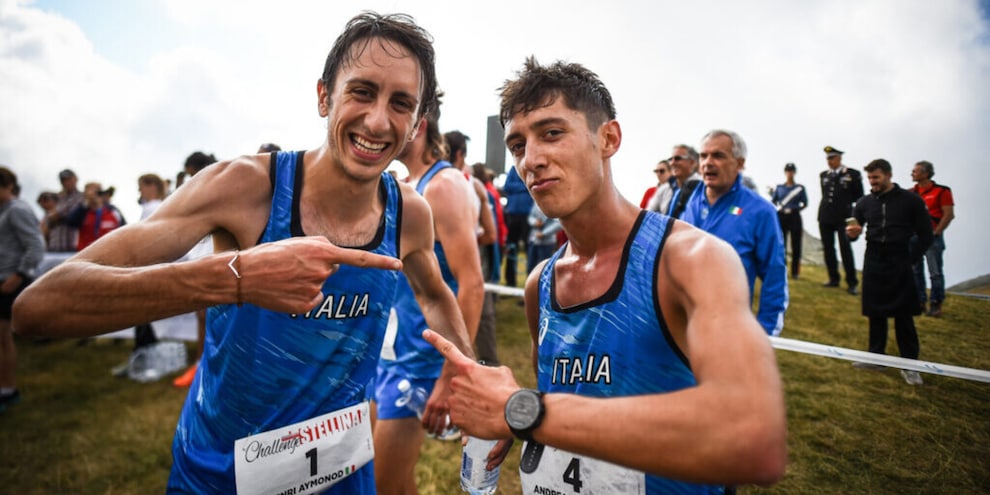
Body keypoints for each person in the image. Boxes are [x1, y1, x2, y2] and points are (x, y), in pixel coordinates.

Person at [14, 12, 476, 494]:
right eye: (361, 92)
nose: (378, 120)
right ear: (324, 96)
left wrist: (466, 372)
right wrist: (236, 279)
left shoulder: (409, 212)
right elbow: (39, 307)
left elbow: (435, 293)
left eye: (400, 103)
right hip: (221, 477)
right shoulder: (245, 187)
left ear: (416, 124)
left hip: (342, 474)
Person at [424, 56, 787, 493]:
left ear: (608, 138)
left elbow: (753, 436)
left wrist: (523, 411)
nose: (531, 160)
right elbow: (566, 406)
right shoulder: (540, 283)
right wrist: (515, 418)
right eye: (517, 145)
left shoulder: (691, 259)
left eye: (552, 133)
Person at [373, 110, 485, 495]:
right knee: (381, 479)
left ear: (419, 125)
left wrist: (451, 374)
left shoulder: (443, 185)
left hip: (421, 363)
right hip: (389, 355)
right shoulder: (405, 185)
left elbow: (472, 284)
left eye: (396, 112)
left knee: (382, 484)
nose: (379, 126)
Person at [681, 130, 788, 336]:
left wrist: (765, 334)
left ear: (739, 164)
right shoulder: (684, 198)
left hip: (726, 333)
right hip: (675, 328)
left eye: (718, 156)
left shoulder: (761, 211)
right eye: (703, 156)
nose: (708, 163)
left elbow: (775, 276)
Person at [846, 159, 933, 385]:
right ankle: (876, 358)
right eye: (870, 178)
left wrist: (911, 258)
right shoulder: (864, 203)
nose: (872, 182)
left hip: (900, 258)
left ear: (888, 175)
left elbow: (926, 234)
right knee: (875, 312)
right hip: (873, 258)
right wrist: (852, 234)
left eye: (876, 177)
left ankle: (910, 366)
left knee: (904, 315)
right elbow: (853, 231)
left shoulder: (911, 201)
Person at [171, 151, 218, 388]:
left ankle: (204, 365)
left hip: (213, 257)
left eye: (191, 173)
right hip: (202, 255)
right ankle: (202, 364)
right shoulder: (200, 188)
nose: (190, 178)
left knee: (206, 314)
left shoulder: (217, 185)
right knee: (203, 314)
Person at [1, 167, 45, 413]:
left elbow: (36, 245)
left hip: (10, 280)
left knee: (2, 337)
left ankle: (8, 390)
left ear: (7, 186)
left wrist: (19, 274)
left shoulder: (17, 210)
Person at [910, 160, 954, 317]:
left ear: (926, 173)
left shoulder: (942, 191)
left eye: (915, 171)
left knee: (935, 271)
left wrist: (937, 232)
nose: (912, 174)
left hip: (932, 236)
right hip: (914, 236)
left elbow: (948, 214)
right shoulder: (910, 193)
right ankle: (919, 301)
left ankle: (936, 303)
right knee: (915, 269)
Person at [818, 145, 863, 294]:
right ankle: (833, 278)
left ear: (839, 158)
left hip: (843, 217)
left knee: (845, 249)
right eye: (828, 158)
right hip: (825, 216)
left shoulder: (851, 174)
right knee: (828, 248)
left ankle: (852, 282)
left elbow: (859, 196)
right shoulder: (824, 175)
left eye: (832, 158)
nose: (829, 161)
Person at [771, 163, 808, 279]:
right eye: (788, 171)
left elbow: (805, 203)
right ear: (785, 172)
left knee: (796, 244)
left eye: (791, 171)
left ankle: (795, 272)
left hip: (794, 216)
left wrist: (795, 209)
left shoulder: (799, 188)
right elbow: (773, 201)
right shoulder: (779, 188)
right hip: (782, 216)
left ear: (794, 172)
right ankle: (782, 269)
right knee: (782, 244)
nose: (789, 173)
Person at [66, 182, 126, 251]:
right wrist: (87, 203)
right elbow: (70, 222)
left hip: (109, 252)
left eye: (98, 191)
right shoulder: (82, 211)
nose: (95, 194)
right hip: (86, 253)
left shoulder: (112, 211)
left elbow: (124, 229)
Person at [647, 144, 702, 219]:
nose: (672, 163)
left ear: (692, 162)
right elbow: (648, 215)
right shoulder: (664, 189)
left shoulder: (702, 187)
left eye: (678, 158)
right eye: (670, 159)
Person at [501, 165, 534, 286]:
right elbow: (507, 186)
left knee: (530, 251)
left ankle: (531, 282)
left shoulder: (531, 168)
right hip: (513, 215)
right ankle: (510, 282)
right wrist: (524, 186)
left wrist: (518, 187)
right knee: (510, 248)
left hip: (528, 217)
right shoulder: (514, 169)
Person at [47, 168, 83, 252]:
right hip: (55, 245)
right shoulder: (57, 197)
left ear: (75, 179)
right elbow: (50, 218)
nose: (66, 182)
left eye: (69, 179)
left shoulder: (82, 197)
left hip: (72, 246)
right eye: (63, 180)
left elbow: (71, 216)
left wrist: (58, 215)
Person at [526, 203, 561, 275]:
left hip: (547, 243)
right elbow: (530, 217)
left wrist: (544, 233)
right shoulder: (536, 203)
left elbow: (558, 224)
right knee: (530, 266)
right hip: (534, 240)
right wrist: (535, 222)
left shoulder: (555, 204)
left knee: (544, 268)